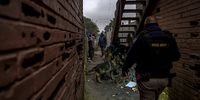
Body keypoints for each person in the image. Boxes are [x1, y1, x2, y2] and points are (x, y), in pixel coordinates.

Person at [122, 16, 180, 100]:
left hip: (146, 80)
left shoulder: (141, 37)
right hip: (164, 78)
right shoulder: (168, 37)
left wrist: (125, 69)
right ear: (157, 24)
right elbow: (176, 57)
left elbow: (131, 56)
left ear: (145, 25)